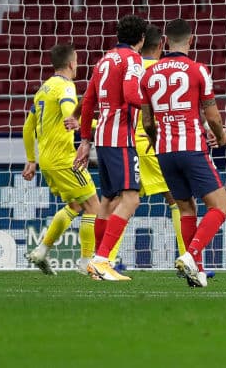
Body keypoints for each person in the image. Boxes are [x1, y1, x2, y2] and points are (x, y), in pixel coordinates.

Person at [140, 19, 226, 288]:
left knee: (185, 207)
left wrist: (158, 145)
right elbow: (212, 116)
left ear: (166, 42)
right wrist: (222, 136)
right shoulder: (198, 70)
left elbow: (147, 123)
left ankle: (196, 272)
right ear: (190, 41)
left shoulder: (149, 74)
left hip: (165, 151)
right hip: (191, 147)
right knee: (220, 206)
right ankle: (191, 255)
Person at [107, 26, 186, 269]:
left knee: (122, 202)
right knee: (179, 201)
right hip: (153, 143)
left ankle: (106, 260)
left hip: (128, 143)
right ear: (162, 45)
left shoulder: (128, 69)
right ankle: (187, 258)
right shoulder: (163, 72)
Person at [77, 14, 148, 282]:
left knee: (108, 201)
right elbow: (131, 94)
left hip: (102, 138)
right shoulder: (133, 60)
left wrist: (85, 140)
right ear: (141, 39)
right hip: (120, 139)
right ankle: (102, 259)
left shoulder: (104, 60)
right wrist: (153, 100)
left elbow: (87, 102)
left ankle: (97, 266)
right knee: (132, 199)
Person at [22, 43, 100, 275]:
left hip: (47, 160)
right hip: (65, 159)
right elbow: (71, 117)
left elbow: (28, 127)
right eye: (77, 60)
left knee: (75, 205)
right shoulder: (66, 87)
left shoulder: (44, 89)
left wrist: (30, 159)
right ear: (71, 63)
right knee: (94, 206)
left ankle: (42, 251)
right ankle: (86, 261)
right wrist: (103, 125)